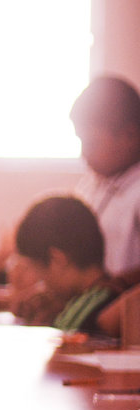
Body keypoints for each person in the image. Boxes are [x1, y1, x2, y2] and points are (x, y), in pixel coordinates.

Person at [13, 195, 123, 336]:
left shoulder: (87, 309)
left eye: (38, 271)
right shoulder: (99, 297)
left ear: (57, 258)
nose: (42, 285)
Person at [70, 76, 140, 280]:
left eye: (92, 143)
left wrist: (110, 286)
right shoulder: (91, 184)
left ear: (129, 135)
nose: (84, 153)